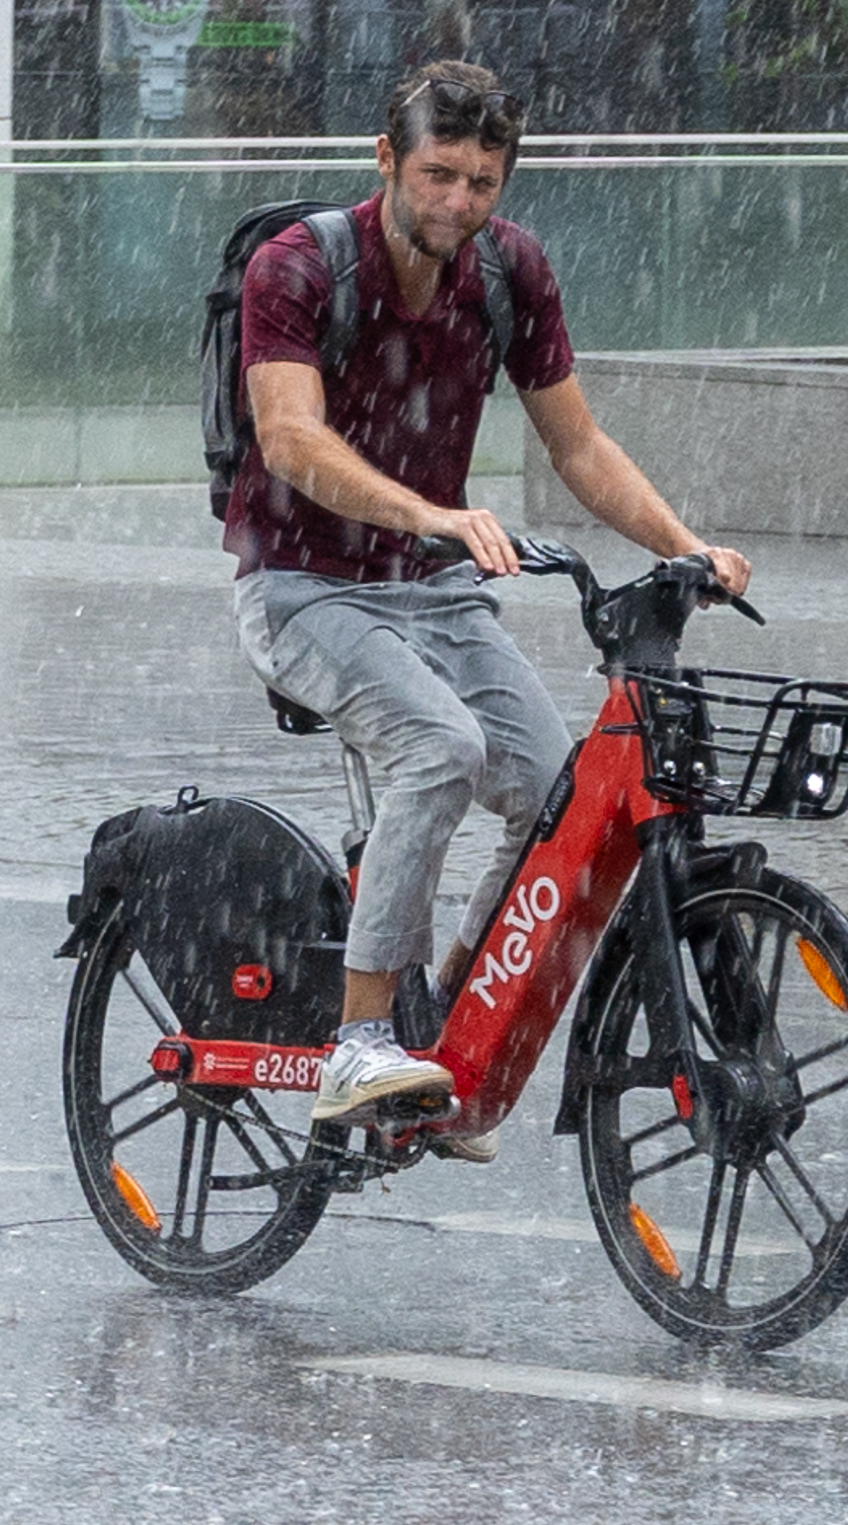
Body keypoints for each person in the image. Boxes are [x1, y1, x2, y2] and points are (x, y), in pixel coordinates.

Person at [230, 58, 750, 1131]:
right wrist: (422, 512)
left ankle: (449, 1027)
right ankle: (358, 1042)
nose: (458, 203)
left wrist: (685, 545)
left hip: (436, 591)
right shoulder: (300, 267)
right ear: (384, 160)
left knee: (555, 796)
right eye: (435, 175)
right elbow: (287, 436)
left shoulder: (507, 270)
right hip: (301, 588)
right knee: (438, 749)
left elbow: (577, 443)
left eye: (480, 180)